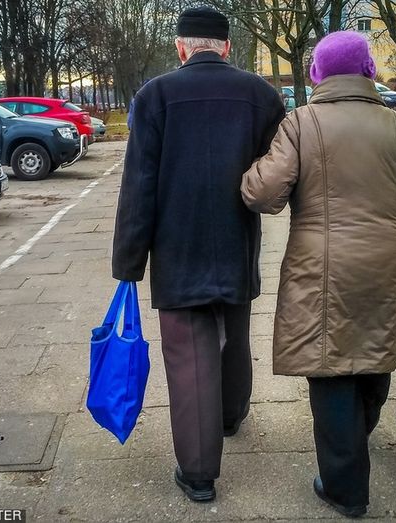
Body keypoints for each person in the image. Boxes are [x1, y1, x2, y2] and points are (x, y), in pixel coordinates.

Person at [241, 31, 396, 518]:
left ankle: (345, 488)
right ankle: (358, 437)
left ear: (316, 75)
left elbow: (263, 195)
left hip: (322, 266)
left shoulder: (301, 124)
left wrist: (250, 170)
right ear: (370, 73)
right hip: (390, 263)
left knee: (330, 366)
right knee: (375, 354)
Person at [111, 6, 285, 503]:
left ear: (181, 46)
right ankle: (231, 416)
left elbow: (139, 185)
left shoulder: (155, 95)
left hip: (178, 248)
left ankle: (200, 472)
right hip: (236, 240)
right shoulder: (262, 96)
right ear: (226, 47)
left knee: (189, 355)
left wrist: (129, 262)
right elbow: (275, 174)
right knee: (234, 335)